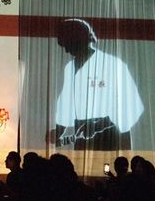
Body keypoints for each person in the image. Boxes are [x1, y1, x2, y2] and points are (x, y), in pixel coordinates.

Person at [55, 18, 144, 151]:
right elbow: (66, 105)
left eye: (69, 44)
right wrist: (58, 131)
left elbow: (132, 106)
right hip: (83, 134)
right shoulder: (70, 68)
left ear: (80, 40)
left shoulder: (112, 65)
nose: (67, 51)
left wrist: (98, 126)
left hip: (113, 134)